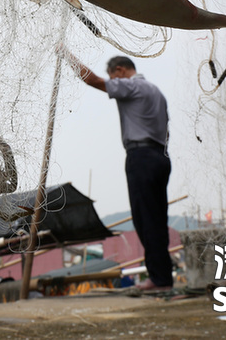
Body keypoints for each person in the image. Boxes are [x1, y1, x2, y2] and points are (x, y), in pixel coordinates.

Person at [62, 50, 173, 291]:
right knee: (157, 217)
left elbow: (92, 80)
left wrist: (66, 55)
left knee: (145, 219)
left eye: (113, 76)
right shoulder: (156, 92)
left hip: (141, 156)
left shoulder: (132, 86)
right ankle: (163, 277)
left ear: (120, 71)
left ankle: (160, 279)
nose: (113, 81)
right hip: (161, 156)